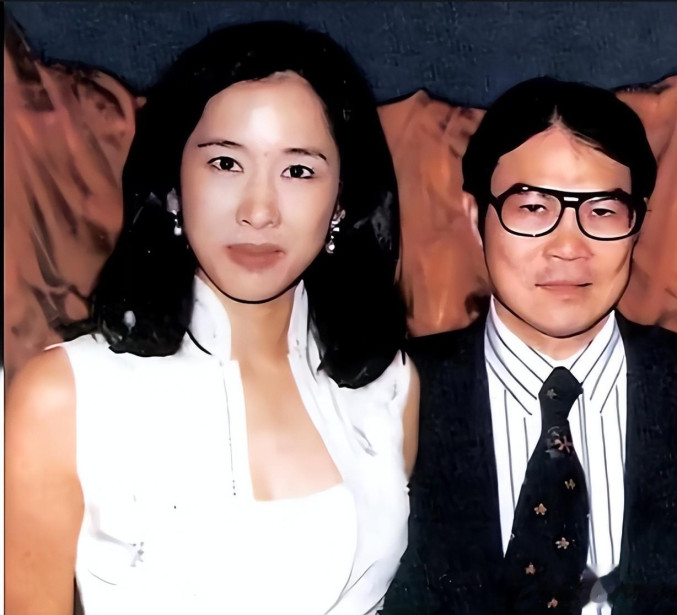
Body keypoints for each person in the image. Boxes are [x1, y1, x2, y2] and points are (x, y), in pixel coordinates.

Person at [5, 21, 419, 615]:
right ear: (174, 185)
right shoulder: (65, 395)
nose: (258, 210)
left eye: (298, 171)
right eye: (226, 163)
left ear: (341, 203)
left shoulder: (388, 386)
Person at [383, 77, 677, 614]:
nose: (568, 247)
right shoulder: (391, 395)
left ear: (638, 224)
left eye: (603, 211)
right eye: (533, 208)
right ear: (476, 217)